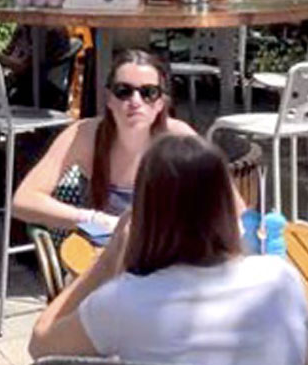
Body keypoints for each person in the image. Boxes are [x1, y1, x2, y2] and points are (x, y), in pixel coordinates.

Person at [29, 135, 308, 365]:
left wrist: (109, 259)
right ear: (225, 207)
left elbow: (41, 346)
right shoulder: (282, 280)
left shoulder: (122, 301)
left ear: (145, 213)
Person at [13, 49, 195, 243]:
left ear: (161, 103)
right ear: (109, 98)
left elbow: (227, 203)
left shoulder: (179, 138)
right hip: (104, 253)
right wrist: (91, 219)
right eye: (123, 91)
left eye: (148, 93)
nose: (135, 101)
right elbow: (23, 200)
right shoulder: (84, 135)